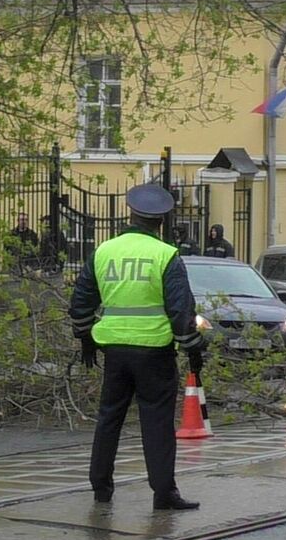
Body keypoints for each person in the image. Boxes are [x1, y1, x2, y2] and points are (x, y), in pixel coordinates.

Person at [70, 182, 205, 512]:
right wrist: (193, 348)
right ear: (162, 221)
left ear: (130, 214)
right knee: (156, 423)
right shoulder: (165, 256)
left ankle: (101, 487)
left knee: (109, 418)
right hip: (154, 351)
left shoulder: (104, 251)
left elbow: (82, 301)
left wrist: (85, 337)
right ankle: (163, 492)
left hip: (114, 349)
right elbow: (180, 311)